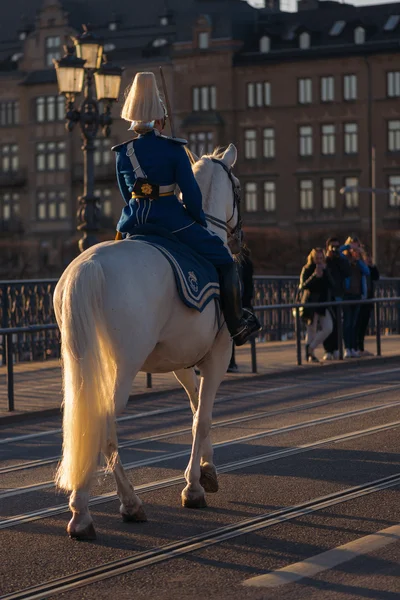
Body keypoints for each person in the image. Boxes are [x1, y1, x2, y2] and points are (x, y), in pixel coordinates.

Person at [112, 72, 260, 346]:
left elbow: (126, 195)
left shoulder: (123, 153)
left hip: (132, 224)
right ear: (159, 120)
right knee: (226, 261)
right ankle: (238, 325)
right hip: (172, 221)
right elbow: (191, 194)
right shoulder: (173, 150)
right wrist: (196, 218)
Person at [299, 248, 335, 363]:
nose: (318, 261)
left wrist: (326, 272)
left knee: (328, 327)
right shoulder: (307, 269)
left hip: (323, 303)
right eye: (316, 258)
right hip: (311, 303)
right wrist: (315, 276)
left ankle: (310, 348)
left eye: (321, 258)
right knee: (311, 329)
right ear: (312, 258)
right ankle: (310, 355)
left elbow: (332, 284)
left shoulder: (325, 269)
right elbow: (303, 286)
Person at [322, 236, 352, 361]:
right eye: (333, 247)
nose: (335, 249)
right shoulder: (325, 260)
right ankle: (328, 349)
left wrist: (340, 258)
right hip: (327, 296)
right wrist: (328, 258)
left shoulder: (341, 260)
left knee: (337, 324)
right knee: (327, 324)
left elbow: (347, 272)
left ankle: (336, 348)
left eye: (337, 247)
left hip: (338, 295)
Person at [227, 241, 255, 372]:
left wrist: (247, 304)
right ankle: (229, 362)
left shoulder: (244, 262)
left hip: (238, 300)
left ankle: (230, 362)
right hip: (235, 299)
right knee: (229, 333)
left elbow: (248, 285)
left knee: (230, 333)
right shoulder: (240, 260)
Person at [341, 236, 369, 359]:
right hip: (346, 295)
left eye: (356, 246)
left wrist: (359, 260)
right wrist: (348, 247)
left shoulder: (358, 261)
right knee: (347, 322)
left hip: (357, 294)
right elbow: (337, 251)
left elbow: (367, 271)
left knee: (354, 323)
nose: (354, 250)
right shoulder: (344, 259)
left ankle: (353, 348)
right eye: (353, 246)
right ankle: (347, 348)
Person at [356, 249, 380, 356]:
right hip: (361, 300)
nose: (369, 259)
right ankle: (357, 347)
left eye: (370, 257)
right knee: (358, 325)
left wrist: (372, 265)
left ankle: (361, 348)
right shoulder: (361, 270)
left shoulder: (369, 270)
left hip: (368, 300)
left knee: (364, 325)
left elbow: (376, 277)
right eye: (367, 257)